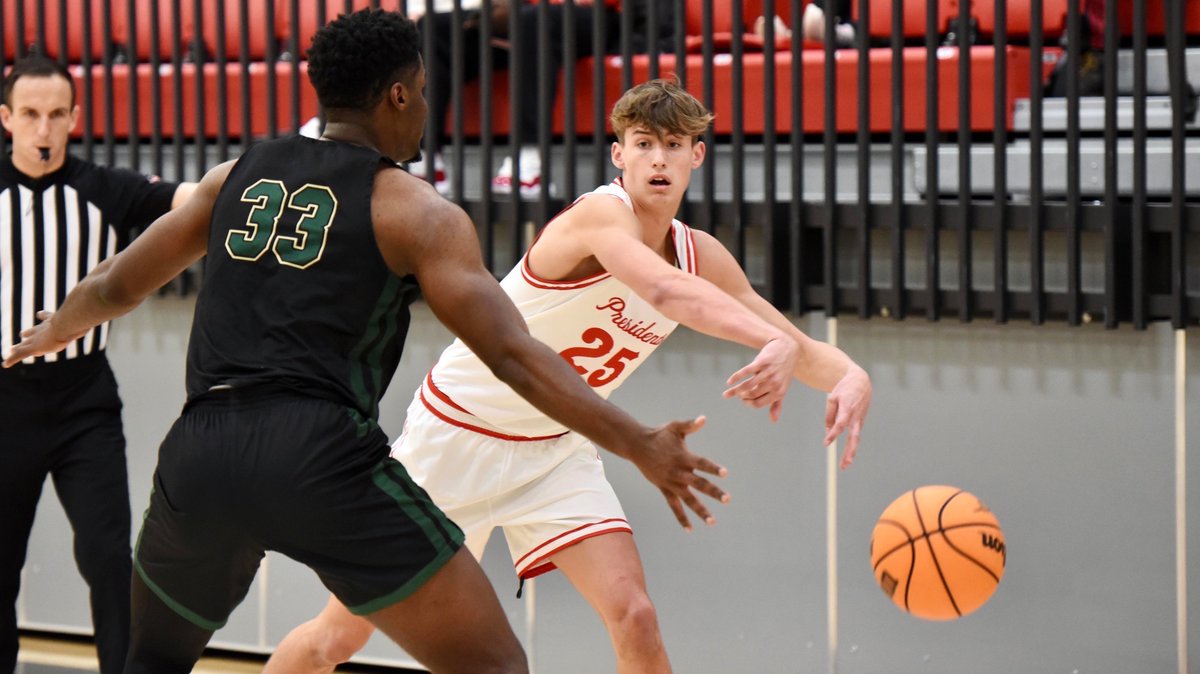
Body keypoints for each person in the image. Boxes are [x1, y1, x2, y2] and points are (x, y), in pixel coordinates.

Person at [2, 14, 739, 674]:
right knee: (494, 665)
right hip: (319, 458)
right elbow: (512, 357)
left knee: (152, 660)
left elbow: (114, 289)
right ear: (396, 95)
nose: (425, 105)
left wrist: (49, 332)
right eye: (421, 89)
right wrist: (638, 441)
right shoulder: (415, 210)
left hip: (202, 451)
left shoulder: (236, 174)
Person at [265, 78, 873, 674]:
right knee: (337, 638)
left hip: (555, 450)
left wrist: (850, 376)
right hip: (455, 438)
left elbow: (792, 341)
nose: (657, 158)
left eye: (671, 144)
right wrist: (769, 341)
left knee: (634, 614)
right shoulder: (596, 219)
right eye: (642, 143)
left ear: (696, 155)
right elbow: (664, 291)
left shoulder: (701, 255)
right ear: (619, 154)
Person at [0, 55, 195, 674]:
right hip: (4, 403)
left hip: (83, 401)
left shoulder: (104, 190)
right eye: (29, 114)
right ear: (6, 119)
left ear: (75, 118)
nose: (43, 129)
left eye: (56, 114)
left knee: (110, 557)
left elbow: (191, 199)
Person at [411, 0, 672, 196]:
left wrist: (644, 39)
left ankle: (529, 162)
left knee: (535, 21)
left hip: (600, 17)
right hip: (526, 14)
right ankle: (425, 157)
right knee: (434, 27)